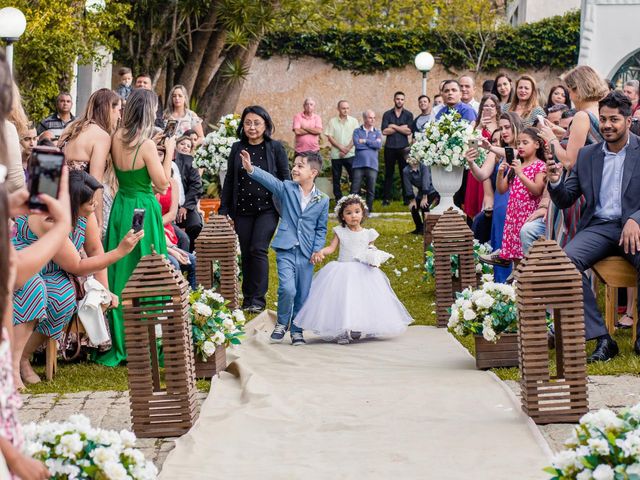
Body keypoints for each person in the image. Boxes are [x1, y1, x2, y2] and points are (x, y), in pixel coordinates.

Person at [13, 171, 141, 386]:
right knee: (35, 291)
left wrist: (104, 290)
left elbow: (93, 247)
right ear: (72, 203)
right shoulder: (48, 218)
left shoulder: (84, 213)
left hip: (54, 270)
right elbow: (77, 266)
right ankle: (11, 365)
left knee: (62, 298)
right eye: (90, 203)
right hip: (26, 264)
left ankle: (23, 357)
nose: (95, 206)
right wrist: (120, 252)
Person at [547, 91, 640, 362]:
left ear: (628, 120)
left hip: (633, 227)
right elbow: (566, 199)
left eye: (614, 119)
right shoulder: (587, 156)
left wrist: (636, 218)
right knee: (564, 263)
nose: (608, 125)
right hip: (598, 227)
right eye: (603, 119)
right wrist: (555, 182)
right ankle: (602, 338)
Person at [95, 88, 174, 367]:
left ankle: (118, 337)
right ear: (150, 113)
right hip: (143, 205)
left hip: (122, 205)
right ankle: (148, 337)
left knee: (120, 271)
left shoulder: (116, 137)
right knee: (149, 269)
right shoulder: (148, 145)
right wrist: (170, 153)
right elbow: (162, 183)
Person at [293, 194, 412, 343]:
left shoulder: (369, 233)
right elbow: (332, 248)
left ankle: (363, 327)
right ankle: (342, 330)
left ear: (363, 214)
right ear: (342, 217)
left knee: (364, 299)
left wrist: (374, 257)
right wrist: (322, 252)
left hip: (364, 270)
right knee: (343, 300)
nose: (353, 216)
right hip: (343, 270)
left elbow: (371, 248)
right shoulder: (340, 232)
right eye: (348, 213)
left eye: (357, 212)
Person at [240, 150, 329, 346]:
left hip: (307, 253)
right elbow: (271, 181)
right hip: (286, 248)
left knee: (303, 292)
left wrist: (317, 249)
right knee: (288, 288)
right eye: (294, 165)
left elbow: (321, 228)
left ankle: (297, 329)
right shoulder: (287, 188)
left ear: (313, 173)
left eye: (300, 166)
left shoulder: (322, 199)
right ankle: (281, 323)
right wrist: (251, 169)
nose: (294, 169)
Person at [220, 105, 290, 313]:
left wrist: (292, 205)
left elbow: (285, 178)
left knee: (258, 249)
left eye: (256, 123)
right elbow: (230, 180)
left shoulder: (275, 147)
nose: (252, 127)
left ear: (266, 124)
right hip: (242, 210)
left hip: (267, 209)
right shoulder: (236, 147)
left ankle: (258, 300)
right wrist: (223, 210)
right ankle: (247, 297)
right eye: (248, 123)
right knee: (246, 252)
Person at [537, 65, 608, 251]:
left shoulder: (582, 116)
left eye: (570, 90)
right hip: (594, 190)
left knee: (564, 249)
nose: (570, 95)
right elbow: (588, 143)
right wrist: (562, 133)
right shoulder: (600, 111)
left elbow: (570, 161)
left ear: (578, 88)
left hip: (575, 194)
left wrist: (550, 138)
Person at [468, 112, 524, 282]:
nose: (504, 131)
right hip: (500, 211)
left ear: (516, 126)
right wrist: (471, 162)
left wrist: (490, 147)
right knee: (500, 250)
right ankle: (501, 292)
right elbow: (482, 175)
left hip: (517, 209)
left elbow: (514, 153)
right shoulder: (495, 152)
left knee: (517, 252)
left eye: (507, 127)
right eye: (501, 128)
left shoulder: (522, 147)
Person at [58, 88, 122, 229]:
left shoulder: (72, 127)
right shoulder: (101, 136)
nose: (120, 117)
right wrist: (99, 221)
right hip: (79, 205)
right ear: (109, 109)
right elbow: (95, 181)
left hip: (59, 198)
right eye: (119, 110)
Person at [495, 127, 546, 269]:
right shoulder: (516, 165)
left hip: (528, 216)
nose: (520, 146)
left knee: (526, 256)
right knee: (516, 259)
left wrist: (520, 174)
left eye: (525, 142)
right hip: (513, 217)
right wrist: (500, 173)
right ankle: (516, 287)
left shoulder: (539, 166)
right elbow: (501, 189)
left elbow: (537, 190)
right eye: (518, 143)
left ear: (536, 144)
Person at [157, 171, 196, 290]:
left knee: (191, 257)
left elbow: (172, 214)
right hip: (157, 235)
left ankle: (192, 296)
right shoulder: (148, 194)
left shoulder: (172, 183)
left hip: (166, 227)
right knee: (174, 263)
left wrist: (173, 248)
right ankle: (178, 298)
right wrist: (173, 250)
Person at [381, 91, 413, 204]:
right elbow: (384, 131)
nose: (400, 101)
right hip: (390, 147)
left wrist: (393, 126)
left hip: (403, 148)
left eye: (402, 99)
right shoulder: (387, 114)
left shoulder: (408, 115)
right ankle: (386, 199)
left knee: (404, 173)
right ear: (394, 100)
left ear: (404, 101)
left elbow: (409, 131)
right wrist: (401, 128)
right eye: (398, 99)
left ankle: (406, 199)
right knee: (389, 173)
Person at [324, 100, 358, 201]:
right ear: (338, 109)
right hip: (336, 155)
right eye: (343, 108)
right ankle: (339, 199)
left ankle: (353, 198)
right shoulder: (332, 121)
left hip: (350, 154)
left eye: (347, 108)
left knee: (354, 177)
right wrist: (341, 148)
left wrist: (347, 149)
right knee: (336, 178)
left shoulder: (354, 121)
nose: (345, 110)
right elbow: (330, 137)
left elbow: (355, 136)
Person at [351, 110, 382, 213]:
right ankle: (353, 210)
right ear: (364, 119)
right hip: (358, 164)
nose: (373, 120)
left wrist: (365, 141)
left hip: (372, 164)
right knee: (355, 190)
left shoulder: (377, 132)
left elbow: (378, 145)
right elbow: (357, 145)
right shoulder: (357, 131)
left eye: (374, 118)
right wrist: (371, 144)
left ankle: (368, 211)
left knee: (371, 190)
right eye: (370, 118)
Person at [174, 149, 203, 253]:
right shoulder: (157, 158)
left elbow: (196, 186)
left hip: (185, 205)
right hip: (165, 207)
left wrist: (185, 207)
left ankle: (190, 254)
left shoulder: (188, 160)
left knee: (195, 224)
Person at [402, 157, 438, 234]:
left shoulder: (424, 165)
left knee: (424, 206)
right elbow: (407, 186)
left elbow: (426, 181)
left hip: (431, 189)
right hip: (421, 192)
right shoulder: (406, 171)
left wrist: (425, 197)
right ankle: (419, 228)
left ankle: (426, 229)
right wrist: (412, 200)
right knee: (413, 208)